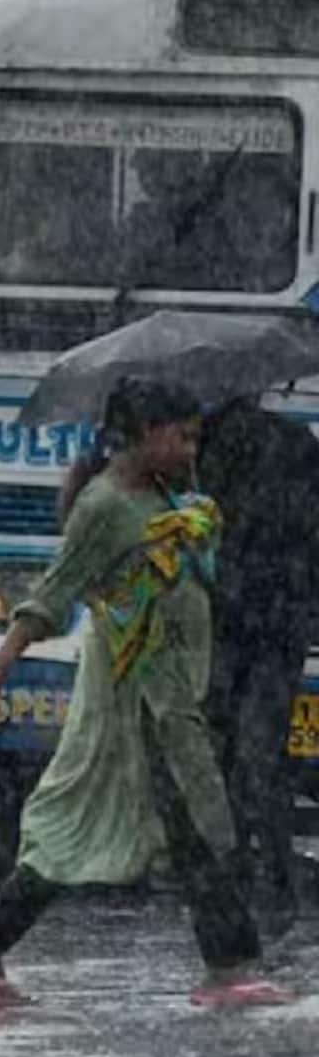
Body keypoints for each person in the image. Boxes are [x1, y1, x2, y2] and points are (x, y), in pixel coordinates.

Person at [0, 378, 290, 1009]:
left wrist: (196, 526)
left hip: (173, 687)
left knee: (142, 819)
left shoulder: (164, 491)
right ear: (145, 434)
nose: (188, 448)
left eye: (192, 438)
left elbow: (175, 574)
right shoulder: (101, 506)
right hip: (137, 695)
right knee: (185, 818)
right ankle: (227, 967)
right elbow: (54, 591)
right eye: (180, 436)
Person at [197, 394, 319, 935]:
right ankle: (267, 874)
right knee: (255, 752)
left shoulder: (193, 449)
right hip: (275, 619)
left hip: (233, 618)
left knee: (227, 749)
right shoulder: (296, 445)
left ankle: (242, 870)